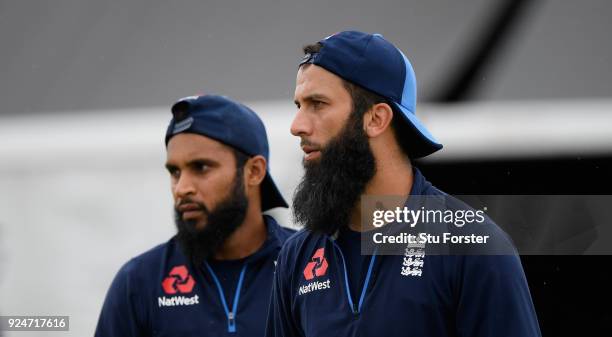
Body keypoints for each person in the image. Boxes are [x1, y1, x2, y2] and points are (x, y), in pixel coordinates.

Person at [265, 31, 541, 337]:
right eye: (298, 106)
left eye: (317, 103)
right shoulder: (296, 256)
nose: (296, 126)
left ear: (376, 119)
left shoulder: (473, 248)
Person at [95, 95, 294, 337]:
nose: (181, 188)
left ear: (254, 172)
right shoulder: (139, 283)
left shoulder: (309, 267)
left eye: (201, 167)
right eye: (175, 172)